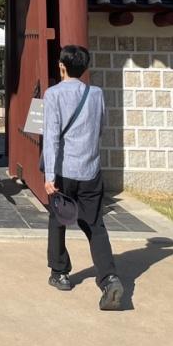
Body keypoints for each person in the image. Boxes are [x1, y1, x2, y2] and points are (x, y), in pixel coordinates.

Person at [42, 44, 123, 310]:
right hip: (89, 168)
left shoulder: (53, 94)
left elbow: (52, 137)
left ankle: (60, 272)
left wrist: (50, 175)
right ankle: (109, 277)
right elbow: (100, 127)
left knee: (58, 220)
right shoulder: (96, 93)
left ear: (62, 66)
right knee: (95, 224)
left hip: (64, 170)